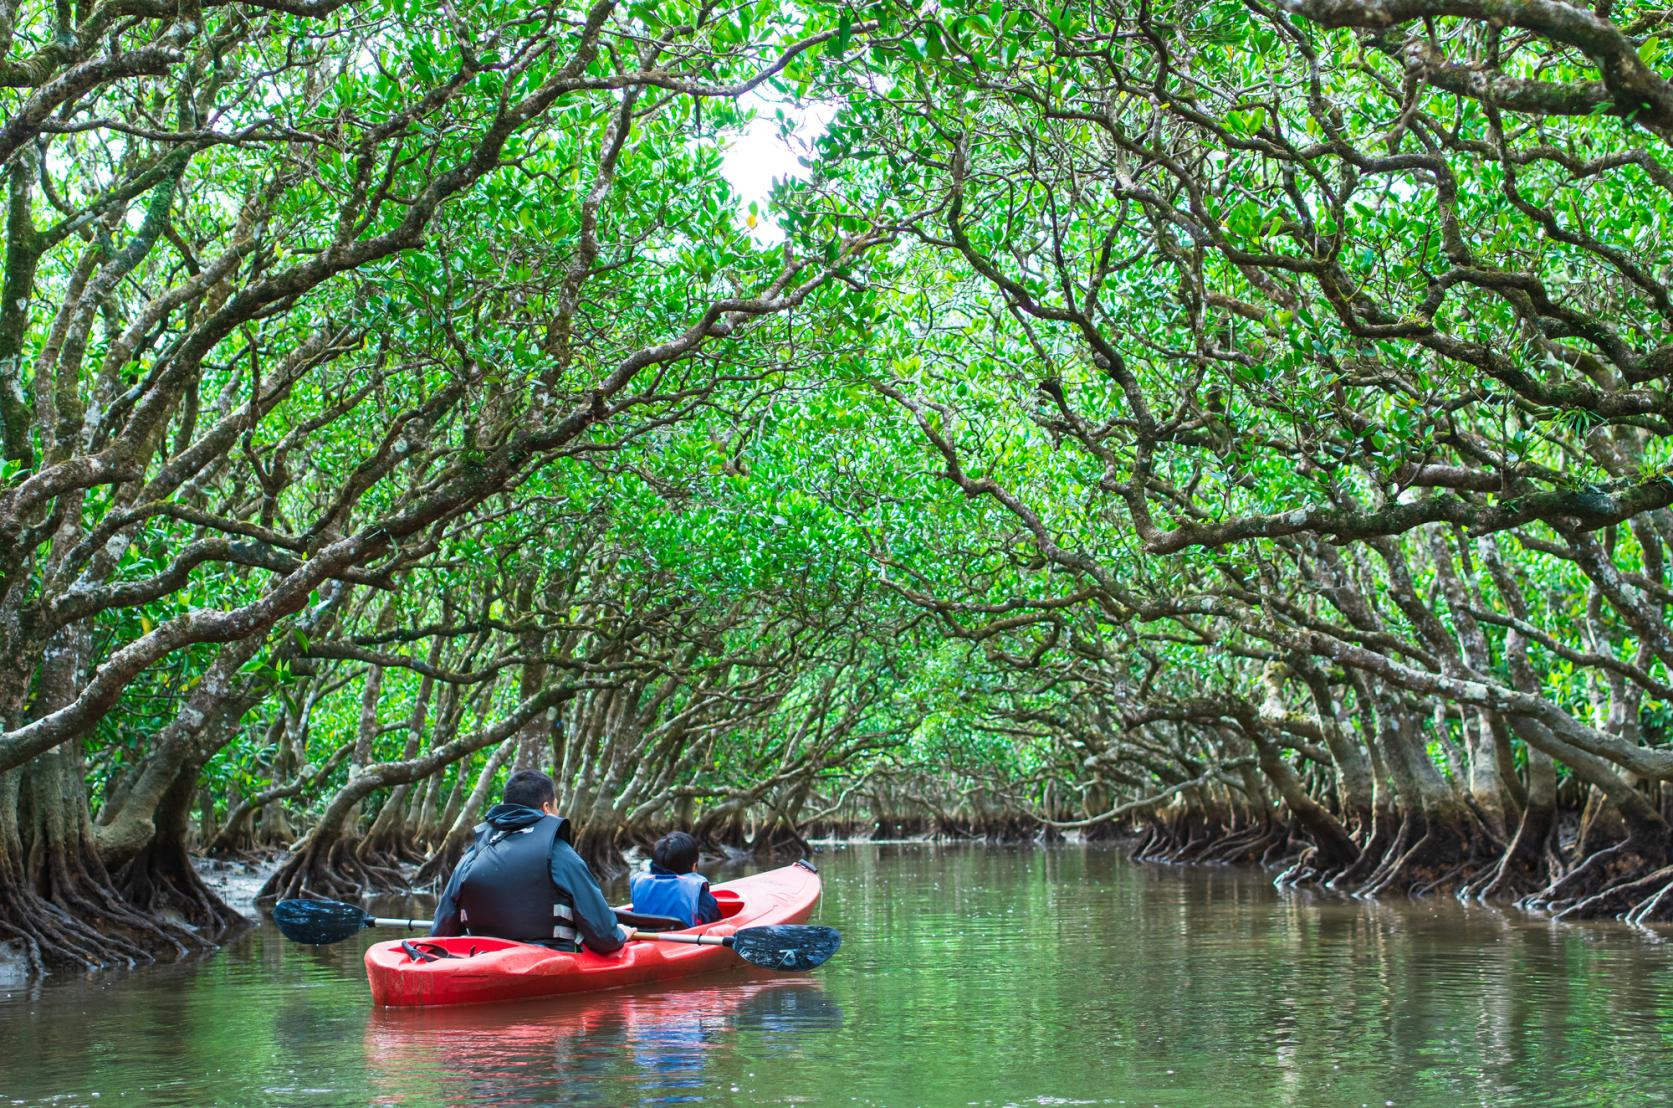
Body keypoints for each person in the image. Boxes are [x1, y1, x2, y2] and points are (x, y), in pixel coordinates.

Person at [431, 769, 628, 953]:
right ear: (546, 808)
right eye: (556, 806)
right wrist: (622, 934)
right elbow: (604, 937)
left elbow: (441, 933)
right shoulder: (559, 853)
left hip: (481, 955)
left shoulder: (474, 853)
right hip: (549, 958)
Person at [630, 831, 722, 928]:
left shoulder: (640, 885)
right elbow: (716, 922)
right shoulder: (702, 898)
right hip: (686, 940)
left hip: (645, 939)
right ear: (694, 866)